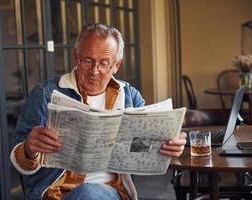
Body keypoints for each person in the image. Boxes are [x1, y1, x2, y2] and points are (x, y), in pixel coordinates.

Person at [10, 23, 186, 200]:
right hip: (54, 193)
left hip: (109, 192)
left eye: (104, 63)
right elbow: (19, 163)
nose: (94, 71)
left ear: (116, 65)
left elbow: (140, 147)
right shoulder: (45, 94)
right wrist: (28, 149)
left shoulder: (129, 97)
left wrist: (166, 146)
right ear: (76, 57)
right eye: (88, 61)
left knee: (88, 193)